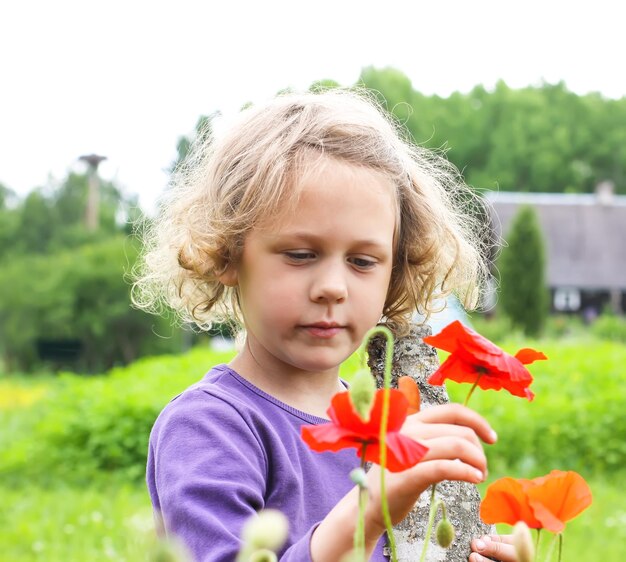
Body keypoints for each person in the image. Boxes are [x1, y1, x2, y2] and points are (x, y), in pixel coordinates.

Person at [133, 89, 518, 562]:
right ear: (227, 253)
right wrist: (367, 513)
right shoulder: (209, 426)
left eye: (362, 261)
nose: (332, 287)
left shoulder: (389, 425)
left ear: (395, 271)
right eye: (300, 254)